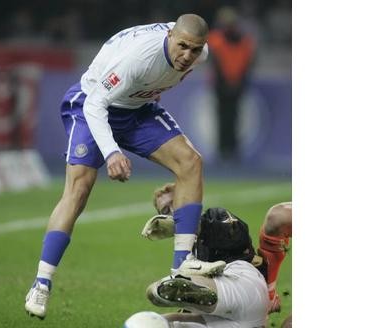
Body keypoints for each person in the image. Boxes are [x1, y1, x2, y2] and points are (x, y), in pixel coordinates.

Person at [25, 14, 210, 319]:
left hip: (137, 111)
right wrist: (112, 153)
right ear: (170, 37)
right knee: (79, 189)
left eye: (195, 49)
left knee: (191, 163)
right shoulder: (138, 58)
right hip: (92, 106)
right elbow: (95, 104)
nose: (188, 55)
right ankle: (41, 283)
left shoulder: (199, 53)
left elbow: (183, 42)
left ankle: (181, 269)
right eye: (183, 46)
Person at [143, 182, 292, 314]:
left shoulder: (215, 216)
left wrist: (195, 226)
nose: (172, 211)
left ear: (189, 200)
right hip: (228, 307)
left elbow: (237, 238)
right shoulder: (188, 251)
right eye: (165, 211)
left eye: (175, 202)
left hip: (247, 289)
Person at [145, 206, 271, 328]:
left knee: (157, 290)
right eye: (165, 210)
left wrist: (190, 225)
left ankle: (196, 280)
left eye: (172, 205)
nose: (171, 212)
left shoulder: (213, 218)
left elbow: (236, 233)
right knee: (152, 322)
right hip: (238, 317)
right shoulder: (184, 248)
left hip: (240, 281)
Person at [207, 7, 256, 162]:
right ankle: (223, 151)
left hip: (236, 85)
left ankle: (232, 150)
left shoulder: (244, 41)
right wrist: (226, 83)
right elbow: (215, 64)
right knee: (223, 117)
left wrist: (239, 82)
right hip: (222, 86)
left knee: (234, 117)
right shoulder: (216, 39)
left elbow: (248, 63)